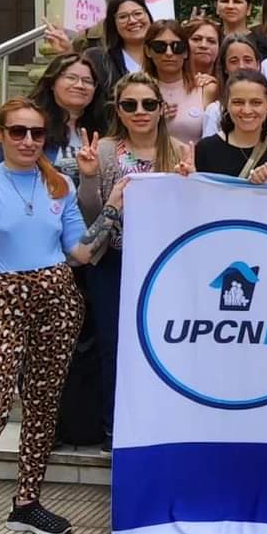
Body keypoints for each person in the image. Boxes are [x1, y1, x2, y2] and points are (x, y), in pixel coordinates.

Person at [0, 99, 124, 534]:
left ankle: (26, 501)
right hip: (0, 301)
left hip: (56, 299)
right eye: (17, 132)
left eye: (36, 133)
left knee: (43, 402)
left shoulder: (60, 182)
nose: (28, 141)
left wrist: (109, 205)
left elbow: (79, 253)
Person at [78, 73, 185, 449]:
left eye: (148, 104)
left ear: (161, 108)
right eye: (130, 105)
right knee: (113, 343)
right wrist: (90, 179)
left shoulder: (180, 150)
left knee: (162, 345)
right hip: (115, 262)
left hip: (165, 269)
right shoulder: (104, 150)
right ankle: (114, 427)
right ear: (118, 111)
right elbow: (89, 213)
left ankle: (160, 423)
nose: (140, 112)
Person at [24, 53, 107, 181]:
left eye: (87, 81)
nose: (79, 85)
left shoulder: (105, 127)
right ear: (52, 82)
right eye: (71, 78)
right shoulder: (28, 125)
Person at [194, 70, 267, 182]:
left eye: (256, 102)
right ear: (227, 105)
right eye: (238, 102)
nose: (246, 110)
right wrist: (188, 179)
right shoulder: (206, 149)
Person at [142, 19, 218, 144]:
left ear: (186, 52)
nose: (169, 53)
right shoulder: (137, 90)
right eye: (159, 47)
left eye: (177, 47)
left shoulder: (206, 88)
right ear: (148, 51)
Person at [203, 35, 267, 137]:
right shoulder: (214, 111)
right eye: (234, 61)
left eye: (248, 60)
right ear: (225, 68)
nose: (241, 66)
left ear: (258, 65)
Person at [83, 0, 152, 100]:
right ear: (113, 24)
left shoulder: (167, 52)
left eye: (138, 14)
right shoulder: (97, 59)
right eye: (123, 17)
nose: (133, 21)